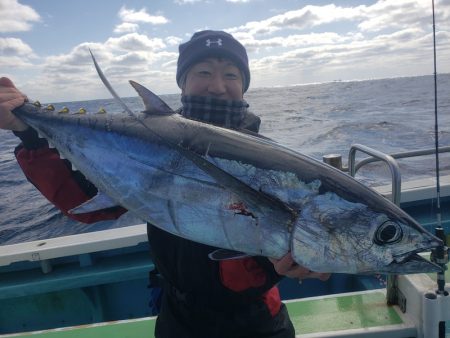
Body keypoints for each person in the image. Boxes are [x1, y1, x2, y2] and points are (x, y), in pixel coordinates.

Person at [0, 30, 330, 337]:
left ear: (243, 86)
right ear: (182, 83)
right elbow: (83, 204)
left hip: (257, 319)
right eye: (203, 72)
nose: (217, 85)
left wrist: (291, 262)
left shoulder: (273, 165)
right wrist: (26, 129)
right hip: (179, 319)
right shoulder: (143, 142)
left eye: (231, 74)